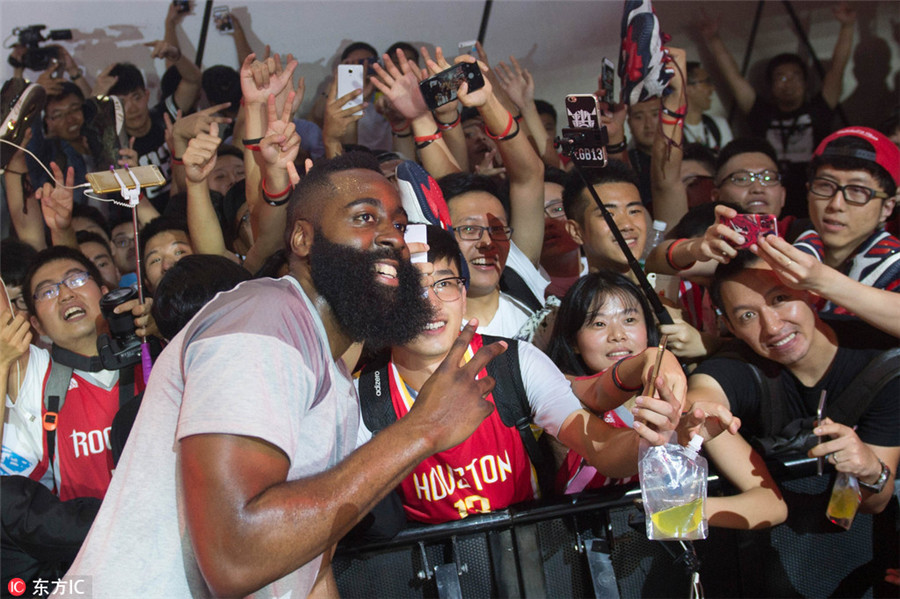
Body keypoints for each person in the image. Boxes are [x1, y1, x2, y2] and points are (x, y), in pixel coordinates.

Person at [61, 148, 509, 597]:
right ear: (302, 240)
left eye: (396, 222)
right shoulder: (262, 319)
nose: (391, 236)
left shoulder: (332, 373)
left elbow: (310, 571)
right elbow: (236, 557)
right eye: (363, 217)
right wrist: (423, 429)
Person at [356, 227, 685, 524]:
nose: (430, 304)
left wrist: (643, 442)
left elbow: (599, 445)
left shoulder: (515, 362)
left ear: (464, 293)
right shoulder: (360, 397)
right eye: (410, 289)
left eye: (444, 283)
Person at [545, 271, 787, 529]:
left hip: (665, 563)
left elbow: (772, 504)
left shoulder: (685, 409)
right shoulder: (562, 399)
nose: (617, 335)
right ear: (573, 341)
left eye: (629, 319)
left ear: (648, 330)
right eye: (598, 324)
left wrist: (683, 510)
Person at [690, 251, 899, 517]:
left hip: (858, 547)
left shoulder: (881, 363)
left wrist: (871, 471)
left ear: (810, 293)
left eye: (780, 299)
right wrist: (695, 412)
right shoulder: (742, 367)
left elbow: (875, 503)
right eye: (747, 317)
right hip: (766, 545)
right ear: (730, 327)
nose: (773, 327)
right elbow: (706, 392)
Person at [698, 3, 856, 217]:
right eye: (781, 77)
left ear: (806, 82)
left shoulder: (819, 109)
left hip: (813, 199)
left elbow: (837, 69)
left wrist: (847, 26)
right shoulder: (762, 114)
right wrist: (713, 39)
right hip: (767, 197)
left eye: (795, 76)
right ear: (770, 85)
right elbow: (734, 78)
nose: (788, 83)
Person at [562, 159, 647, 281]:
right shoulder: (580, 300)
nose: (627, 225)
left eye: (634, 211)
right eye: (608, 214)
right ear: (576, 231)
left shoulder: (664, 293)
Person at [682, 61, 733, 153]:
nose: (712, 89)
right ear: (687, 88)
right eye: (707, 82)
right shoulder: (669, 129)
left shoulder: (718, 125)